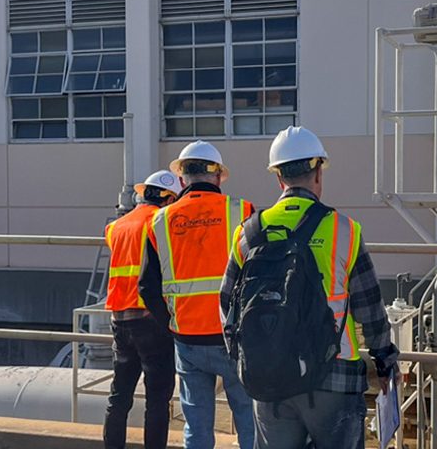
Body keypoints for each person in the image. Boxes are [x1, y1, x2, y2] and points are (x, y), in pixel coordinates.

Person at [220, 126, 399, 449]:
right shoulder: (344, 230)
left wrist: (247, 357)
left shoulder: (248, 232)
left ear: (279, 178)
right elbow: (370, 310)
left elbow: (226, 304)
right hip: (335, 376)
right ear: (317, 173)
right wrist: (385, 361)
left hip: (270, 376)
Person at [149, 141, 256, 449]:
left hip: (188, 338)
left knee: (196, 428)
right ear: (219, 176)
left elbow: (147, 285)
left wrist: (173, 321)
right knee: (248, 420)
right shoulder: (243, 211)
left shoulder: (160, 220)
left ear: (182, 179)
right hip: (234, 337)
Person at [102, 170, 182, 449]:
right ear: (167, 197)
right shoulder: (160, 223)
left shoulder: (116, 226)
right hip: (150, 319)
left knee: (119, 396)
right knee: (157, 400)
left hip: (119, 318)